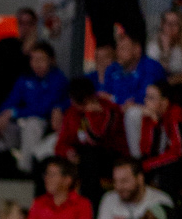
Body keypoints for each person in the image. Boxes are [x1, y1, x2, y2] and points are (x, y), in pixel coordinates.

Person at [0, 41, 68, 175]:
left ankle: (26, 172)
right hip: (22, 125)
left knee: (32, 124)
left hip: (44, 128)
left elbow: (42, 109)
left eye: (41, 60)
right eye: (33, 59)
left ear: (51, 60)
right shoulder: (25, 78)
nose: (37, 64)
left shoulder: (58, 80)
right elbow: (11, 101)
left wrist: (14, 113)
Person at [54, 75, 128, 209]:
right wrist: (68, 152)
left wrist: (91, 115)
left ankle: (91, 208)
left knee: (89, 157)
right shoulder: (71, 113)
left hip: (109, 156)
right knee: (49, 164)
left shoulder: (109, 110)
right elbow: (61, 143)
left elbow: (96, 138)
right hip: (82, 158)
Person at [138, 80, 182, 195]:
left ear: (164, 101)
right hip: (175, 159)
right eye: (146, 97)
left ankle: (169, 203)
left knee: (167, 170)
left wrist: (150, 164)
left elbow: (179, 152)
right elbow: (146, 149)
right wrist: (153, 123)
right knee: (138, 165)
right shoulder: (150, 116)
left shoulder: (176, 116)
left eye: (151, 98)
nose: (146, 101)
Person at [101, 31, 166, 155]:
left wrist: (115, 99)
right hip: (117, 116)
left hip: (150, 116)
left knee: (133, 113)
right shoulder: (112, 69)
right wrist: (118, 101)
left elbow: (144, 99)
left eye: (123, 49)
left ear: (137, 50)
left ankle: (136, 159)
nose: (118, 53)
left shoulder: (151, 67)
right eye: (117, 48)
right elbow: (104, 97)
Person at [96, 158, 172, 219]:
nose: (118, 187)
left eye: (124, 181)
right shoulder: (109, 199)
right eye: (115, 181)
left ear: (140, 178)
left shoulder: (161, 200)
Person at [0, 7, 38, 130]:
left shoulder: (38, 52)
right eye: (21, 23)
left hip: (22, 109)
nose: (25, 28)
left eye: (28, 23)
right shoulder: (5, 44)